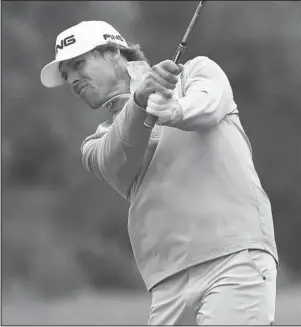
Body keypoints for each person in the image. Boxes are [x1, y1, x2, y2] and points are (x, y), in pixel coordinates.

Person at [41, 20, 278, 325]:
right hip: (167, 284)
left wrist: (175, 109)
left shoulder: (196, 73)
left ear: (114, 53)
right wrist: (141, 101)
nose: (72, 79)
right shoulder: (96, 144)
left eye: (78, 64)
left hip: (235, 257)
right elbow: (119, 153)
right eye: (66, 74)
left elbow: (206, 105)